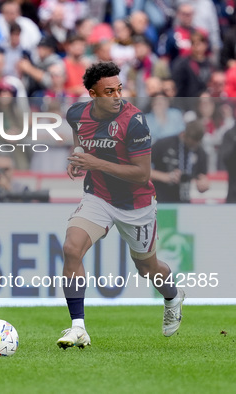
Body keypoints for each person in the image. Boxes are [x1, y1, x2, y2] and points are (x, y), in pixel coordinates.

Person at [60, 62, 185, 349]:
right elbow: (80, 136)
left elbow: (142, 173)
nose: (117, 96)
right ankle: (78, 327)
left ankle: (172, 296)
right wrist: (79, 154)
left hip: (136, 204)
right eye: (109, 91)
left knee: (147, 268)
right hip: (98, 196)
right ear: (93, 94)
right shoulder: (76, 113)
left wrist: (94, 162)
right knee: (71, 248)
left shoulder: (135, 121)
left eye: (119, 89)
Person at [151, 121, 209, 203]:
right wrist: (165, 177)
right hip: (161, 200)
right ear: (183, 134)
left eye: (196, 143)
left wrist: (203, 185)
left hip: (185, 202)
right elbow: (142, 169)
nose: (194, 146)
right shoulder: (164, 144)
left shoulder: (200, 152)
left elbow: (202, 178)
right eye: (191, 142)